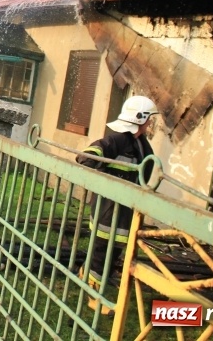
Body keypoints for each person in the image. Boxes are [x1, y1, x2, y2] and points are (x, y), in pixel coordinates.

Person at [76, 95, 158, 315]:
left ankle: (88, 275)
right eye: (149, 118)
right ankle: (93, 295)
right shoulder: (118, 140)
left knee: (111, 252)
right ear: (140, 118)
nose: (151, 123)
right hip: (108, 210)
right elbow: (86, 157)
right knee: (103, 252)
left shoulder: (140, 143)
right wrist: (105, 178)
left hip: (124, 211)